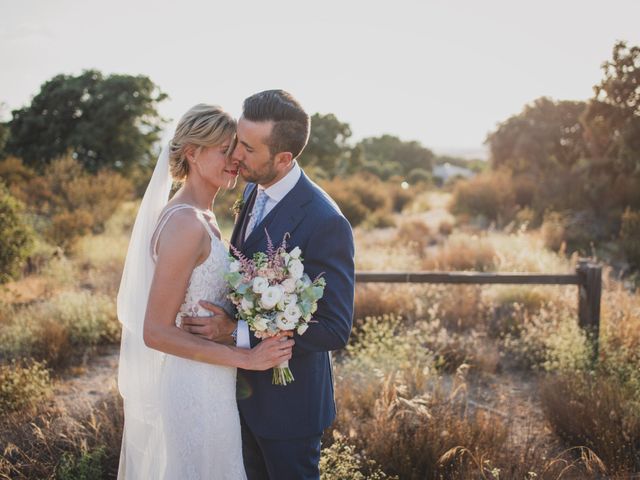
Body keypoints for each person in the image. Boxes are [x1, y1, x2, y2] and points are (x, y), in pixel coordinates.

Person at [183, 90, 356, 479]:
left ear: (283, 158)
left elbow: (334, 327)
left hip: (289, 410)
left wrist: (236, 332)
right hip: (236, 397)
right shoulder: (250, 188)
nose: (234, 154)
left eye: (246, 147)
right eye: (236, 141)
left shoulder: (325, 221)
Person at [116, 104, 294, 479]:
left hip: (214, 381)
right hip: (194, 389)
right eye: (223, 150)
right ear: (193, 153)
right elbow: (156, 331)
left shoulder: (205, 216)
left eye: (237, 149)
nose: (235, 160)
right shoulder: (184, 223)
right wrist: (248, 359)